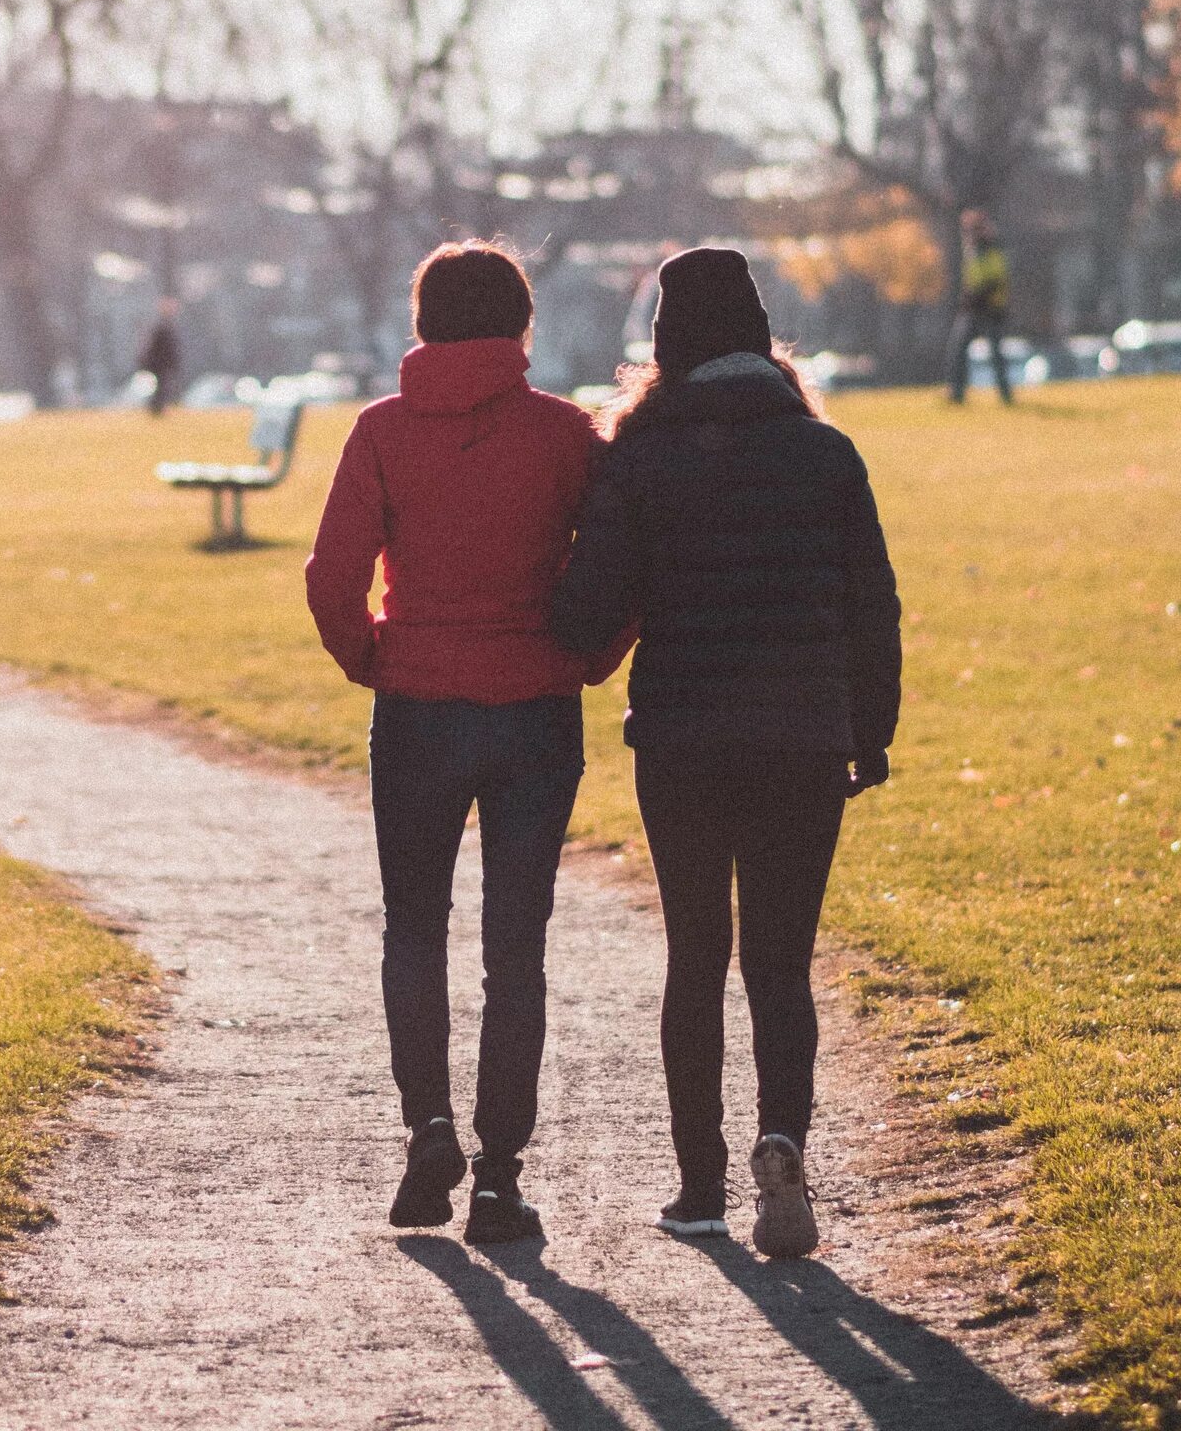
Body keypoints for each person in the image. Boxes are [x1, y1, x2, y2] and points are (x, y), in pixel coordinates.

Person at [549, 246, 900, 1259]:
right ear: (759, 334)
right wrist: (868, 727)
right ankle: (781, 1139)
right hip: (803, 734)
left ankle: (699, 1186)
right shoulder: (824, 453)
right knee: (781, 962)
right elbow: (873, 604)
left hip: (683, 737)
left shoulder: (642, 457)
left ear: (667, 341)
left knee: (696, 956)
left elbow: (586, 615)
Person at [305, 241, 624, 1247]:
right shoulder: (566, 434)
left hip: (417, 705)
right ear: (522, 326)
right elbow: (620, 564)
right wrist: (591, 657)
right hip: (533, 703)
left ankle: (428, 1129)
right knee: (514, 947)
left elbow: (331, 575)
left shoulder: (382, 432)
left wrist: (376, 659)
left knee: (414, 928)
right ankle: (500, 1172)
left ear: (423, 323)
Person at [947, 208, 1011, 404]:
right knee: (957, 350)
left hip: (991, 309)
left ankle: (1005, 394)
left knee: (995, 354)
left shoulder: (992, 250)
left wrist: (976, 297)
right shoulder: (972, 252)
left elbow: (996, 280)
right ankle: (957, 393)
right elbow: (971, 281)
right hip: (972, 309)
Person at [136, 301, 186, 417]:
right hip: (160, 364)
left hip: (162, 364)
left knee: (163, 388)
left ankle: (157, 410)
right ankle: (156, 411)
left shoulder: (165, 326)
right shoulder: (162, 327)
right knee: (162, 388)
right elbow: (158, 348)